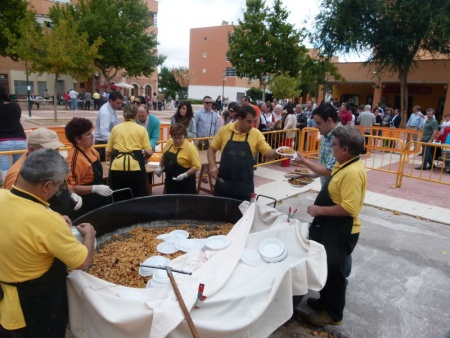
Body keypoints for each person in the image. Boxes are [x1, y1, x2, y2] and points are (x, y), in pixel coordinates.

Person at [0, 148, 96, 338]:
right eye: (58, 186)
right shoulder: (48, 222)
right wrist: (90, 235)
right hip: (31, 311)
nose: (58, 190)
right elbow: (82, 261)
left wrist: (52, 219)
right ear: (46, 185)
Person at [304, 126, 367, 327]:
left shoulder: (353, 173)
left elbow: (349, 208)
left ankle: (333, 314)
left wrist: (318, 210)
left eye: (335, 144)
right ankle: (324, 302)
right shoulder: (345, 163)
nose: (331, 147)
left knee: (335, 273)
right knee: (326, 267)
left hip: (341, 230)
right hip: (330, 227)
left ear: (345, 149)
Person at [3, 128, 83, 218]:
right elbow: (21, 209)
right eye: (49, 151)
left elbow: (63, 182)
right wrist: (53, 219)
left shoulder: (51, 161)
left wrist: (71, 193)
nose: (56, 154)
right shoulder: (17, 175)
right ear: (31, 150)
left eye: (57, 149)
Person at [207, 105, 278, 201]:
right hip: (224, 183)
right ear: (240, 118)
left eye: (254, 121)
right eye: (249, 121)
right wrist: (213, 166)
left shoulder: (256, 134)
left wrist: (279, 151)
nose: (251, 125)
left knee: (243, 215)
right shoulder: (224, 130)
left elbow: (268, 153)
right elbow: (211, 149)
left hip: (244, 186)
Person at [65, 118, 112, 219]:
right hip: (86, 204)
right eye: (88, 134)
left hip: (98, 199)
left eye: (92, 132)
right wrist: (94, 188)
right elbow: (71, 188)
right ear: (78, 139)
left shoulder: (90, 149)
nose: (92, 136)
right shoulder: (74, 159)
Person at [106, 104, 152, 199]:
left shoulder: (115, 129)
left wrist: (112, 161)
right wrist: (143, 159)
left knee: (117, 195)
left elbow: (108, 153)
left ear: (123, 115)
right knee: (137, 195)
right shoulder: (141, 129)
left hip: (117, 166)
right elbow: (149, 152)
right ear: (136, 115)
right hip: (135, 166)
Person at [155, 124, 200, 194]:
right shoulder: (170, 142)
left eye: (180, 137)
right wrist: (160, 167)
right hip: (170, 180)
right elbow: (164, 155)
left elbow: (196, 166)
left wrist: (185, 174)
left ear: (184, 136)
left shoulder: (190, 148)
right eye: (175, 138)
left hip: (186, 183)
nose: (177, 140)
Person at [0, 84, 27, 173]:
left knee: (5, 172)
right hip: (20, 140)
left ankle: (6, 186)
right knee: (19, 172)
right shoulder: (15, 106)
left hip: (2, 142)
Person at [94, 91, 123, 161]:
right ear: (111, 101)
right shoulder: (105, 112)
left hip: (108, 143)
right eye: (118, 103)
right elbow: (103, 131)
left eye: (121, 103)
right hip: (102, 144)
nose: (120, 105)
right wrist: (117, 140)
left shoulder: (112, 109)